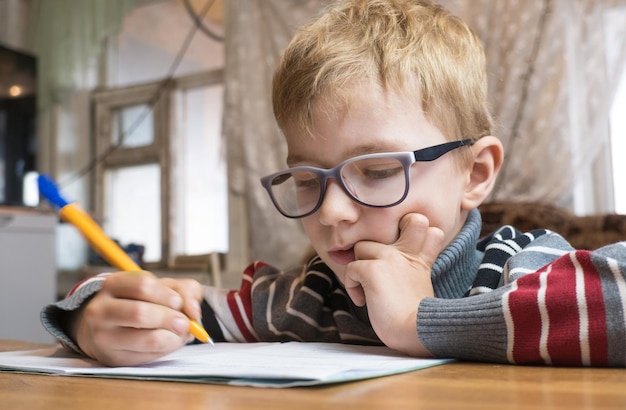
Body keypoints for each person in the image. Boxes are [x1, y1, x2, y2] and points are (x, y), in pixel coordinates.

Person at [42, 0, 626, 367]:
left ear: (474, 173)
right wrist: (91, 317)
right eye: (305, 179)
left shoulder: (521, 265)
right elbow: (182, 307)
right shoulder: (311, 297)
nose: (333, 213)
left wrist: (419, 320)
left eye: (375, 171)